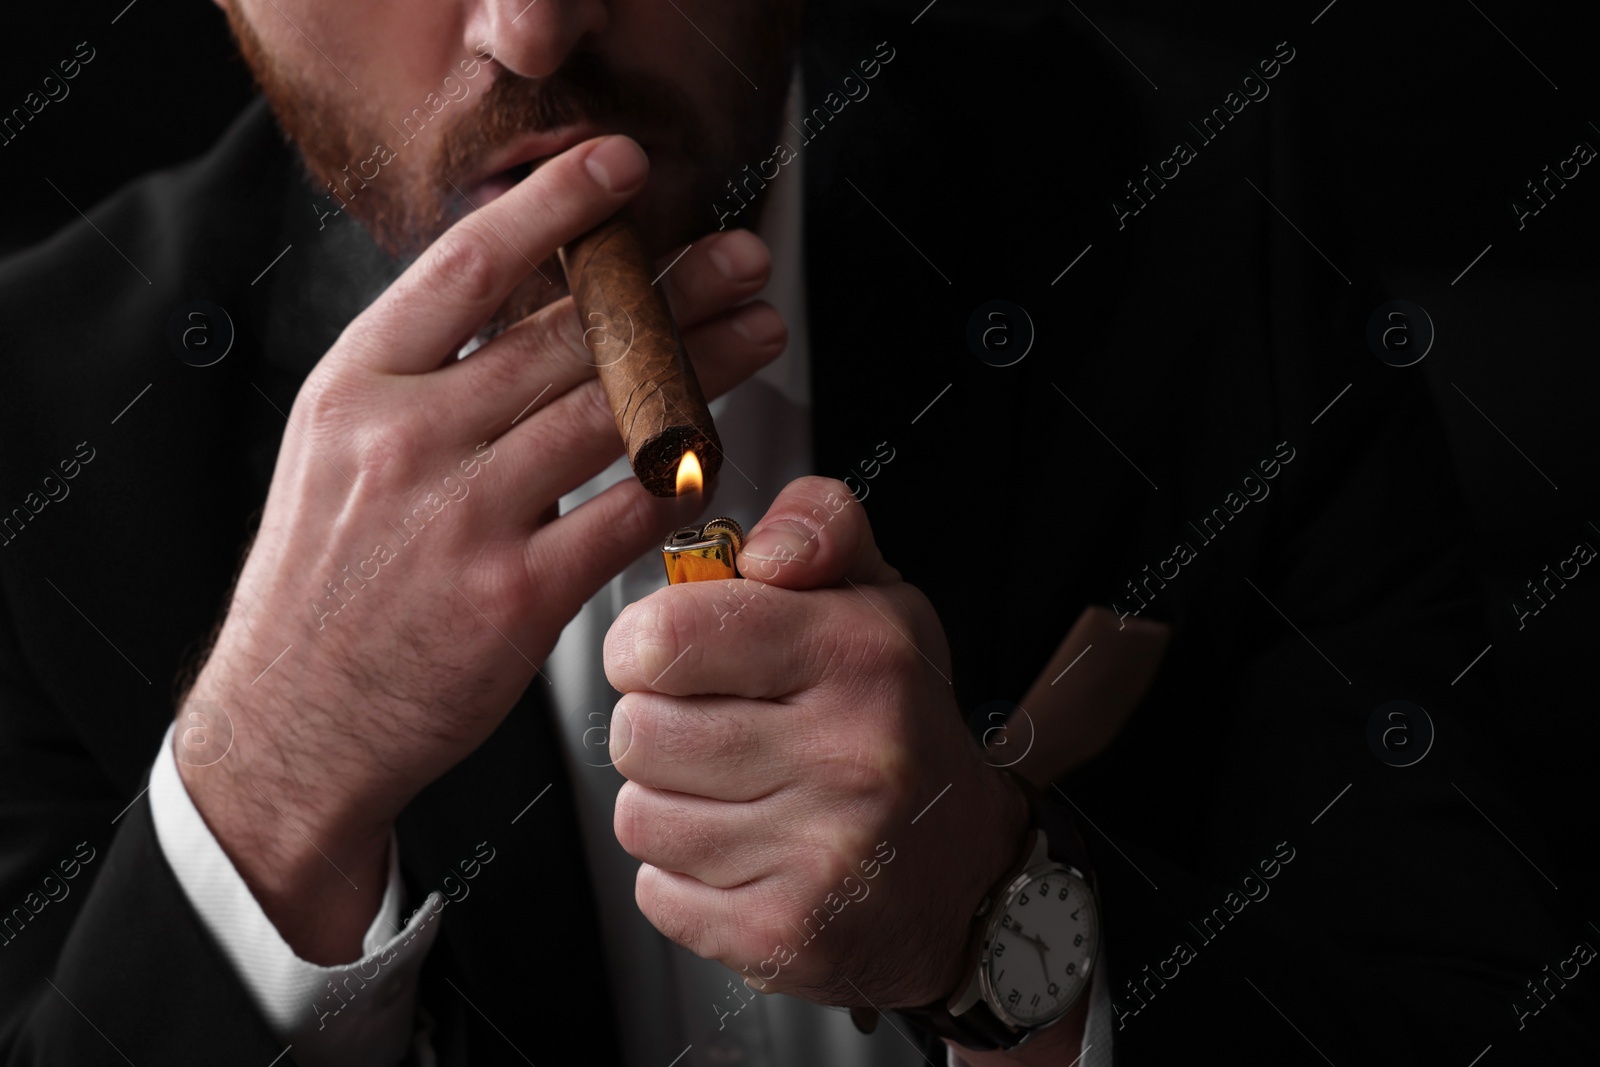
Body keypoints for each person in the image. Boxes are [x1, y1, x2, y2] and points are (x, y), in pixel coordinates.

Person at [1, 2, 1594, 1065]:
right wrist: (268, 789)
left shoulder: (1192, 226)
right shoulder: (37, 439)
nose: (534, 23)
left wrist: (998, 934)